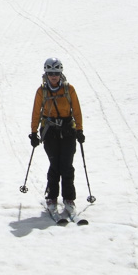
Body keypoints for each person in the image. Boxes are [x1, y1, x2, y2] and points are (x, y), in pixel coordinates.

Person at [28, 57, 84, 218]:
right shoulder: (42, 91)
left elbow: (77, 110)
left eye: (56, 73)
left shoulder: (69, 89)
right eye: (51, 73)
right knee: (55, 164)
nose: (54, 76)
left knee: (66, 165)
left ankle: (68, 198)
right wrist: (33, 133)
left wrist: (79, 130)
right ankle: (52, 197)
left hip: (68, 130)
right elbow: (36, 112)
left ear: (61, 73)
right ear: (46, 73)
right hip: (50, 131)